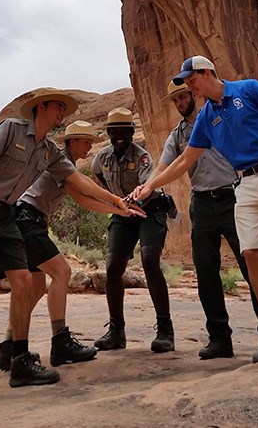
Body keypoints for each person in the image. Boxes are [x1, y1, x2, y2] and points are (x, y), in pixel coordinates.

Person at [0, 88, 132, 401]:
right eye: (57, 107)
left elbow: (79, 184)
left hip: (8, 214)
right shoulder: (11, 128)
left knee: (25, 281)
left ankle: (18, 361)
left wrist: (115, 201)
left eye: (63, 110)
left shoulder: (49, 151)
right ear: (40, 108)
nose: (62, 113)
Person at [134, 56, 258, 363]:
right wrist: (150, 187)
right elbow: (183, 161)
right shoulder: (205, 119)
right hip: (246, 182)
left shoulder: (250, 89)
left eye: (191, 80)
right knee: (252, 253)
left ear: (207, 73)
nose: (188, 85)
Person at [0, 120, 144, 370]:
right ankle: (60, 341)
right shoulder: (60, 162)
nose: (89, 146)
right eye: (85, 141)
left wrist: (121, 211)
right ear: (72, 141)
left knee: (37, 285)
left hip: (28, 220)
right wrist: (118, 201)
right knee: (62, 272)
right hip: (27, 219)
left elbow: (82, 200)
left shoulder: (65, 165)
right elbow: (86, 191)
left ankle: (8, 347)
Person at [150, 79, 258, 359]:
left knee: (250, 264)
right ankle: (219, 339)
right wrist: (147, 187)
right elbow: (164, 165)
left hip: (233, 197)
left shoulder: (217, 118)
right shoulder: (177, 135)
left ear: (193, 93)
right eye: (174, 101)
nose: (179, 104)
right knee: (205, 271)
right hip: (201, 203)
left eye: (182, 97)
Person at [91, 107, 174, 353]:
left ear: (130, 132)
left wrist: (127, 201)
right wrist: (118, 201)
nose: (118, 135)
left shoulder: (142, 157)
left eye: (123, 131)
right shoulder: (101, 158)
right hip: (123, 211)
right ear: (108, 133)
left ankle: (165, 330)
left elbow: (147, 185)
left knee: (149, 260)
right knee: (113, 267)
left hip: (149, 209)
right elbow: (99, 178)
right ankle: (116, 331)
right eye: (113, 131)